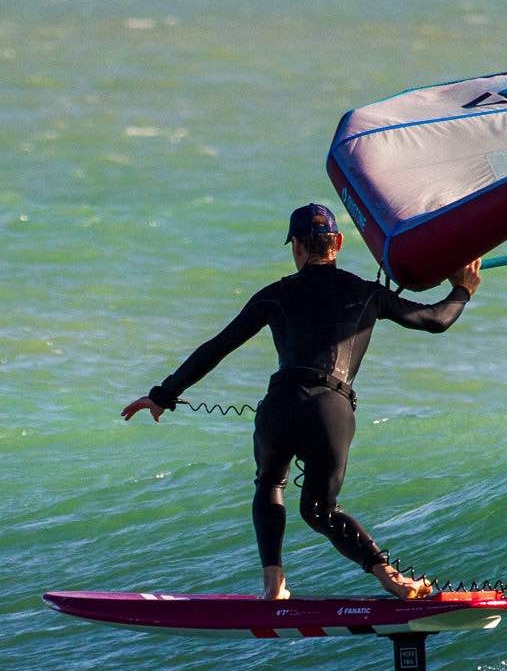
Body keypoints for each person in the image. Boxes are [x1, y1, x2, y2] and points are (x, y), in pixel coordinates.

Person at [122, 203, 480, 600]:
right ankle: (391, 578)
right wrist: (462, 289)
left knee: (269, 482)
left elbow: (218, 346)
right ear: (338, 242)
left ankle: (273, 585)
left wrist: (163, 395)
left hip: (281, 404)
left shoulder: (274, 295)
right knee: (321, 509)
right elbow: (435, 320)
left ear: (296, 247)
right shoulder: (367, 293)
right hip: (330, 409)